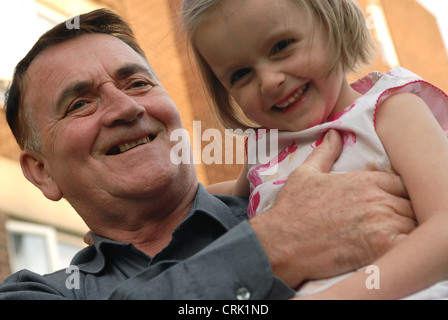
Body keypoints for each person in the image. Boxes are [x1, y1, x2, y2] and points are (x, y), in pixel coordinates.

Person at [0, 9, 415, 300]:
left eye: (138, 83)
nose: (127, 108)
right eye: (80, 104)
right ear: (41, 172)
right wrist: (276, 247)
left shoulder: (335, 184)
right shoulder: (40, 293)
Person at [180, 0, 448, 299]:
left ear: (334, 23)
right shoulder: (265, 146)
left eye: (282, 45)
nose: (270, 81)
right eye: (240, 74)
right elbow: (232, 196)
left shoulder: (389, 110)